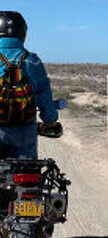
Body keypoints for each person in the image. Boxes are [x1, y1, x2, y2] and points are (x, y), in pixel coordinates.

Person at [0, 11, 61, 159]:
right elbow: (44, 95)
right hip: (24, 131)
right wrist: (50, 121)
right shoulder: (32, 61)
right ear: (23, 33)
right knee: (28, 168)